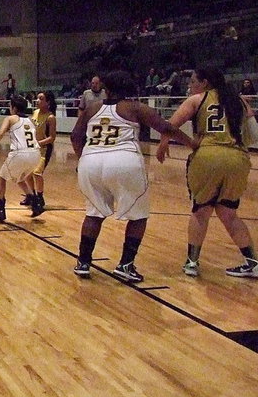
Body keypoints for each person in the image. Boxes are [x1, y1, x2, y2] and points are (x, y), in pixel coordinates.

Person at [70, 71, 195, 282]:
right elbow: (165, 127)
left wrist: (83, 157)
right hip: (123, 160)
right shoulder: (135, 107)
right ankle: (125, 265)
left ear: (107, 89)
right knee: (138, 216)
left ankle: (83, 262)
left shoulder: (92, 109)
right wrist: (192, 144)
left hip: (91, 161)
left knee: (93, 213)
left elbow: (75, 136)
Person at [156, 68, 257, 278]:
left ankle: (192, 262)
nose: (190, 85)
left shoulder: (197, 100)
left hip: (208, 156)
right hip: (237, 159)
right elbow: (254, 135)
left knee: (201, 211)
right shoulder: (239, 101)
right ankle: (252, 261)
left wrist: (163, 143)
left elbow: (170, 125)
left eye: (193, 81)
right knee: (228, 212)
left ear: (205, 82)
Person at [0, 95, 43, 222]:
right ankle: (34, 201)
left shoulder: (10, 118)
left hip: (20, 153)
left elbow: (0, 134)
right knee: (20, 178)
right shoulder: (30, 120)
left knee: (1, 178)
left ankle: (0, 210)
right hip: (36, 153)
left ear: (13, 107)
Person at [21, 91, 57, 210]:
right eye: (37, 98)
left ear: (48, 102)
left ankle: (40, 198)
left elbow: (52, 138)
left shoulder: (50, 118)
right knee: (26, 174)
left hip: (44, 149)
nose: (37, 100)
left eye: (41, 99)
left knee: (37, 172)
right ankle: (32, 196)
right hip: (32, 148)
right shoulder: (35, 112)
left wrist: (38, 143)